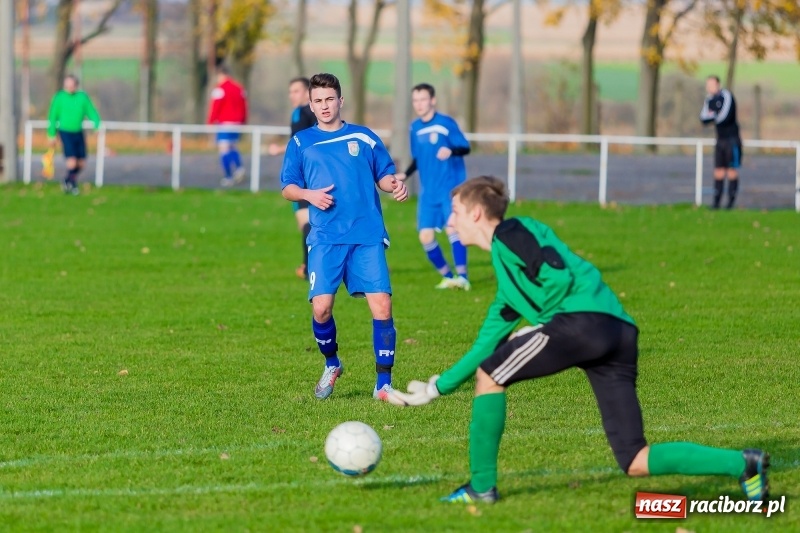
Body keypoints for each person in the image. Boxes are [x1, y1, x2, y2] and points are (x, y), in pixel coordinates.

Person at [387, 176, 770, 505]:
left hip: (584, 322)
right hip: (618, 332)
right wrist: (438, 387)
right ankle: (744, 464)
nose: (449, 220)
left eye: (454, 211)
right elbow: (484, 345)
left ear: (475, 213)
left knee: (491, 375)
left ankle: (482, 487)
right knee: (635, 459)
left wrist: (543, 326)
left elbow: (556, 273)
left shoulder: (511, 232)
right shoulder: (508, 289)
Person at [280, 73, 409, 401]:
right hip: (325, 238)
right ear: (311, 105)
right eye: (318, 101)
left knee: (382, 305)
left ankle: (383, 383)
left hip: (366, 235)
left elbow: (384, 176)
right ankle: (332, 363)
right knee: (321, 308)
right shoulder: (301, 142)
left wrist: (394, 184)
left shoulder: (364, 137)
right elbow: (287, 187)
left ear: (341, 101)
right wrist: (309, 195)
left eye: (329, 100)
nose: (324, 106)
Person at [395, 83, 471, 291]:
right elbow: (418, 158)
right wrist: (406, 174)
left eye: (423, 99)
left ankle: (463, 277)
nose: (419, 104)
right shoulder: (415, 128)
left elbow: (465, 147)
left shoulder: (446, 123)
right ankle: (448, 277)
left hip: (449, 188)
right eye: (415, 101)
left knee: (452, 229)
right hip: (428, 192)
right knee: (425, 236)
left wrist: (451, 150)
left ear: (433, 100)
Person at [269, 77, 317, 279]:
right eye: (290, 91)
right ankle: (313, 265)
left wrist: (280, 148)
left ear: (307, 93)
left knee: (306, 222)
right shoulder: (306, 114)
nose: (292, 95)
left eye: (296, 91)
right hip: (307, 173)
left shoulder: (303, 112)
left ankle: (308, 268)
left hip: (304, 174)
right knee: (308, 223)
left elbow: (301, 142)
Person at [46, 75, 101, 195]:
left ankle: (67, 180)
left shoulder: (82, 97)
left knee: (81, 162)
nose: (69, 88)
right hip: (65, 131)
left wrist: (96, 125)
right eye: (67, 85)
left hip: (78, 132)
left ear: (76, 85)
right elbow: (52, 116)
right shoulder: (59, 97)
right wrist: (51, 134)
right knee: (72, 160)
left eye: (71, 85)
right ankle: (73, 185)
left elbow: (91, 111)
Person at [700, 75, 742, 209]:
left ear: (718, 84)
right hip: (720, 140)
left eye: (711, 84)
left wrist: (713, 117)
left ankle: (730, 204)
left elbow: (725, 117)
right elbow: (703, 118)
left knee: (731, 171)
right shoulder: (709, 99)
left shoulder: (727, 96)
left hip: (732, 140)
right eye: (708, 85)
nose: (709, 87)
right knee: (718, 171)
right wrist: (713, 117)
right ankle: (716, 203)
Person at [207, 65, 248, 187]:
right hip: (237, 123)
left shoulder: (220, 89)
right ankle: (239, 168)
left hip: (225, 123)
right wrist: (243, 121)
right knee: (233, 147)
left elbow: (215, 106)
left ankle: (229, 176)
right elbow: (244, 106)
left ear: (221, 75)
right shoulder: (239, 88)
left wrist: (210, 121)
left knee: (224, 149)